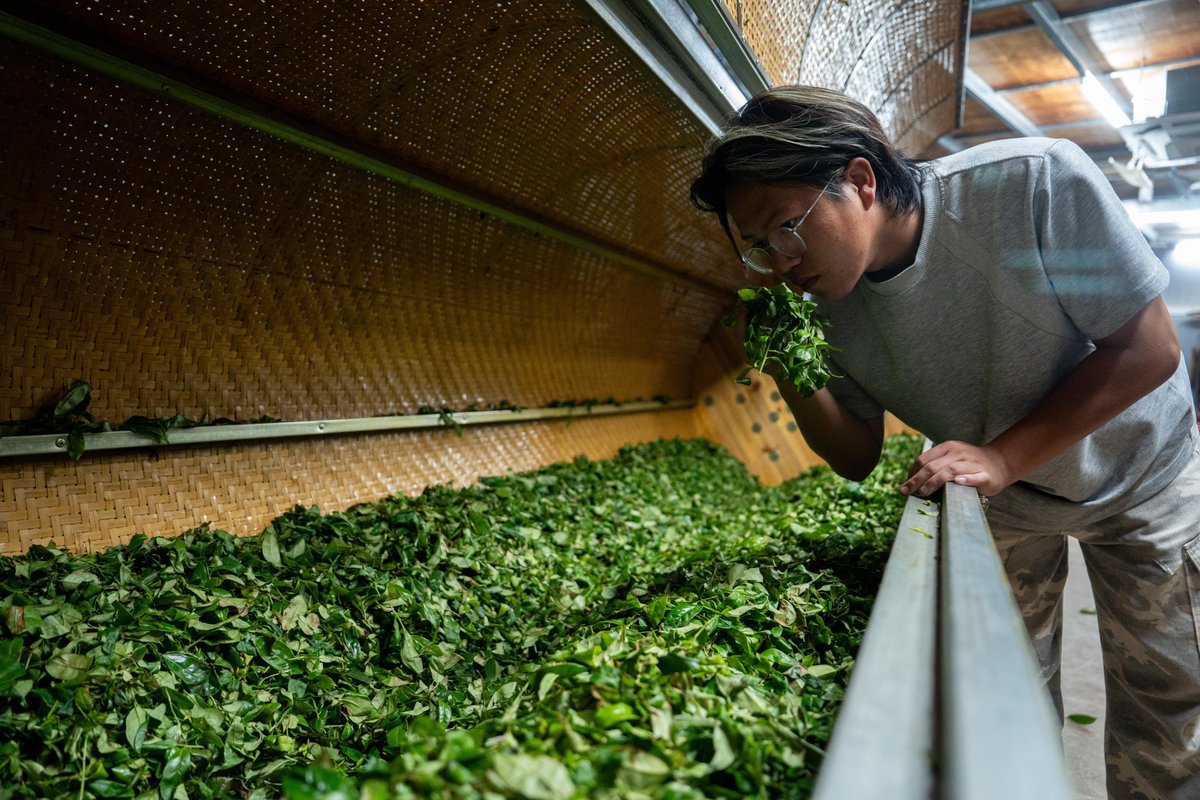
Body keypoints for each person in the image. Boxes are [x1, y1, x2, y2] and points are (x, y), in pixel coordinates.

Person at [690, 84, 1200, 800]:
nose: (780, 261)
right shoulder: (824, 304)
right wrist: (785, 368)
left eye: (786, 226)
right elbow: (857, 454)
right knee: (1002, 700)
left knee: (1167, 703)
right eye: (757, 247)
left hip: (1140, 471)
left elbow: (1148, 348)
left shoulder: (1031, 185)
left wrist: (1002, 455)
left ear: (860, 180)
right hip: (1007, 498)